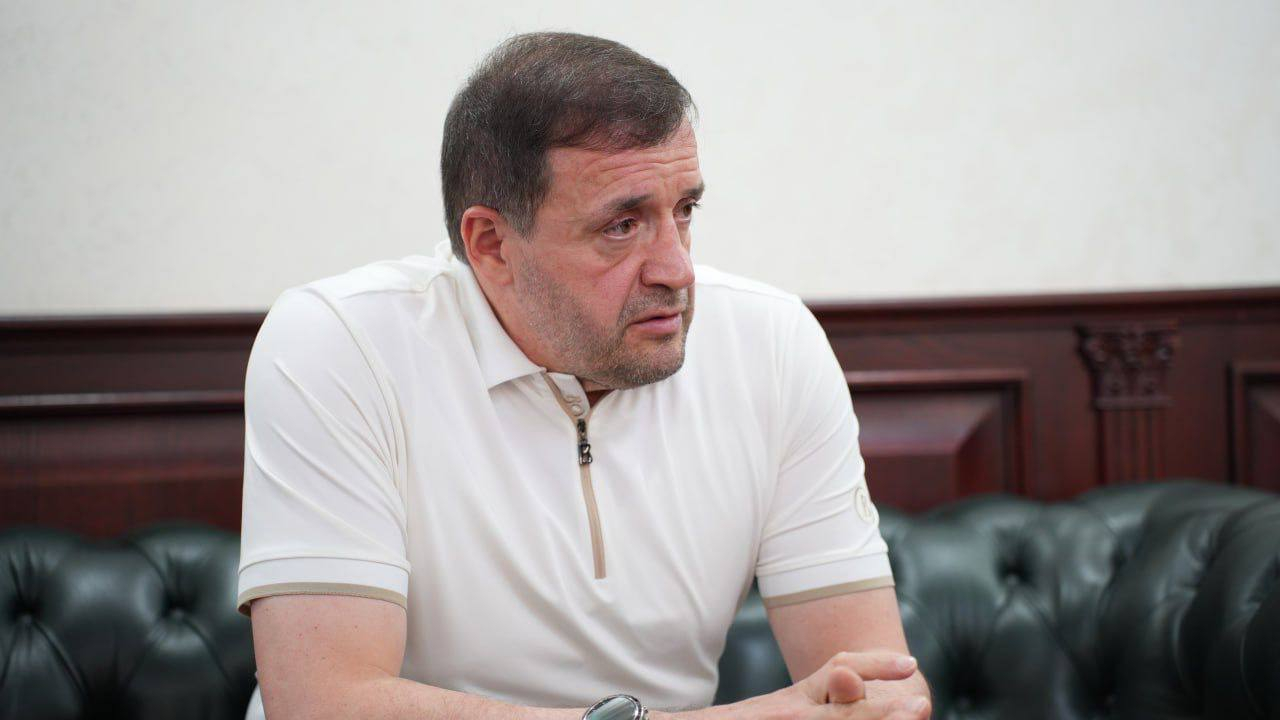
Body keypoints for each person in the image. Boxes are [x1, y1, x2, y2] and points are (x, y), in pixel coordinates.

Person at [237, 31, 931, 720]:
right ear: (491, 245)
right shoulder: (340, 343)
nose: (678, 269)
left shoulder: (773, 343)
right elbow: (323, 703)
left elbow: (883, 688)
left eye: (684, 211)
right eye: (622, 225)